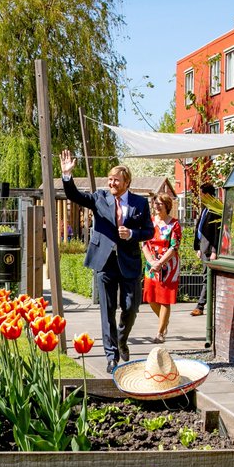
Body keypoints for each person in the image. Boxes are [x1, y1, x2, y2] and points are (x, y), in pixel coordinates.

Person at [59, 149, 154, 371]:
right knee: (107, 310)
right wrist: (67, 176)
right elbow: (75, 196)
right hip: (105, 263)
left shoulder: (140, 204)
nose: (111, 183)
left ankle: (122, 338)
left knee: (130, 308)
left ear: (126, 182)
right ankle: (111, 357)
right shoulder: (100, 198)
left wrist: (132, 235)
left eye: (116, 180)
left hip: (129, 263)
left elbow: (149, 231)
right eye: (110, 179)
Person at [141, 192, 181, 344]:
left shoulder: (174, 224)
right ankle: (164, 321)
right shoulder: (149, 223)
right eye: (155, 203)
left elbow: (174, 246)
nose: (156, 206)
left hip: (168, 267)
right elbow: (144, 244)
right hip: (151, 265)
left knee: (165, 300)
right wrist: (152, 262)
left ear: (167, 206)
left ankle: (160, 333)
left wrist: (160, 263)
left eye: (159, 204)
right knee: (151, 298)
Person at [190, 183, 223, 317]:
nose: (200, 197)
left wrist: (214, 250)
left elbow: (217, 231)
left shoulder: (215, 209)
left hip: (210, 249)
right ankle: (203, 304)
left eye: (201, 194)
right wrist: (198, 247)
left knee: (207, 278)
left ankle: (200, 305)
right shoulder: (205, 208)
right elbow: (200, 227)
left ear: (207, 194)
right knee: (206, 277)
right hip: (204, 248)